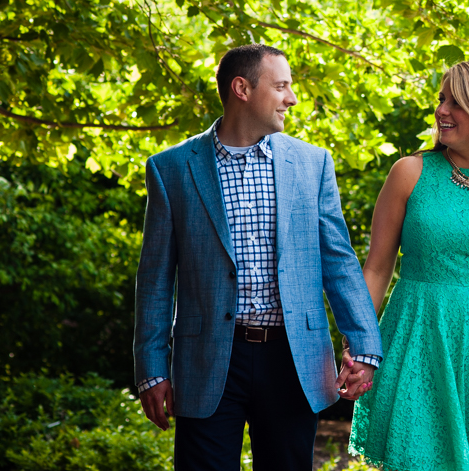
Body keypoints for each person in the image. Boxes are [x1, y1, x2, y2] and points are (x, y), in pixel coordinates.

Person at [134, 43, 383, 471]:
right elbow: (155, 280)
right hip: (207, 358)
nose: (292, 98)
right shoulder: (171, 168)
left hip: (292, 358)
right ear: (242, 89)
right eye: (281, 86)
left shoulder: (313, 164)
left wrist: (363, 345)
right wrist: (151, 370)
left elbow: (338, 262)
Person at [349, 59, 469, 471]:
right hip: (416, 337)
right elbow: (377, 268)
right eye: (442, 99)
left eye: (456, 102)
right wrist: (358, 346)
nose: (442, 110)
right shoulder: (409, 172)